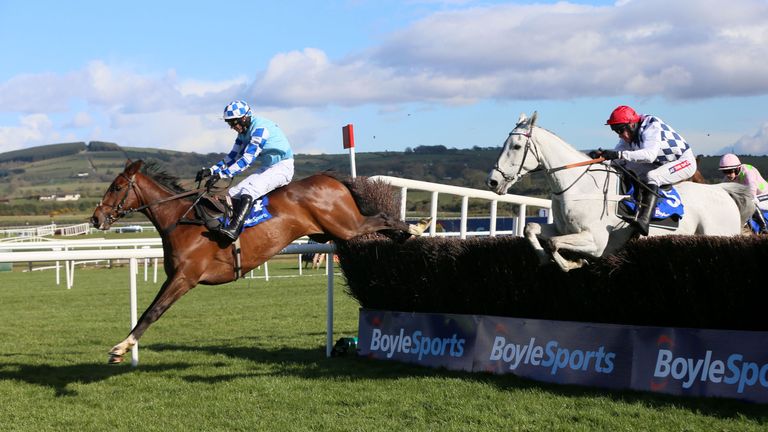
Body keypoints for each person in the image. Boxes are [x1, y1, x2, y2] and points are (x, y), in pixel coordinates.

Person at [589, 105, 697, 236]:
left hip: (683, 162)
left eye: (621, 130)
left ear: (632, 124)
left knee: (653, 176)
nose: (620, 135)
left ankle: (644, 220)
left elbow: (649, 155)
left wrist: (617, 155)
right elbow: (618, 157)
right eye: (616, 131)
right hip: (658, 163)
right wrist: (601, 157)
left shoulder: (651, 126)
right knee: (625, 167)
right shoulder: (629, 135)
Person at [196, 100, 294, 241]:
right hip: (267, 167)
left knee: (249, 191)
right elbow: (232, 156)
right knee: (232, 193)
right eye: (229, 123)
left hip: (282, 167)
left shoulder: (260, 129)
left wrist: (221, 175)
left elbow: (246, 160)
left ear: (244, 118)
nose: (232, 127)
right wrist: (211, 171)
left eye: (233, 123)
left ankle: (234, 229)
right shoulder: (243, 133)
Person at [719, 153, 768, 233]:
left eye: (730, 171)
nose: (728, 175)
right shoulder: (730, 176)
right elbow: (721, 189)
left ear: (737, 168)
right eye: (725, 172)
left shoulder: (748, 172)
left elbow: (752, 192)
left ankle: (764, 229)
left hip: (764, 195)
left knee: (751, 203)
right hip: (755, 196)